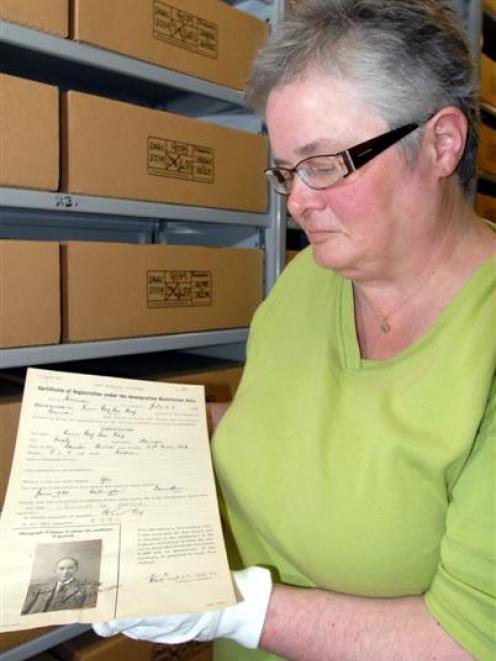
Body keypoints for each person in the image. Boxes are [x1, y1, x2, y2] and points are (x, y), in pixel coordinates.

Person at [93, 1, 496, 659]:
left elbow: (467, 638)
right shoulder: (311, 279)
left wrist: (235, 607)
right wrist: (124, 442)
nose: (300, 200)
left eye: (325, 163)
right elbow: (279, 424)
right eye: (284, 170)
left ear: (443, 142)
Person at [22, 556, 97, 614]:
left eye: (70, 568)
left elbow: (88, 613)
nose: (65, 572)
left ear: (76, 569)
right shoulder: (39, 589)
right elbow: (25, 610)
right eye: (61, 568)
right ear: (55, 570)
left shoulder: (87, 589)